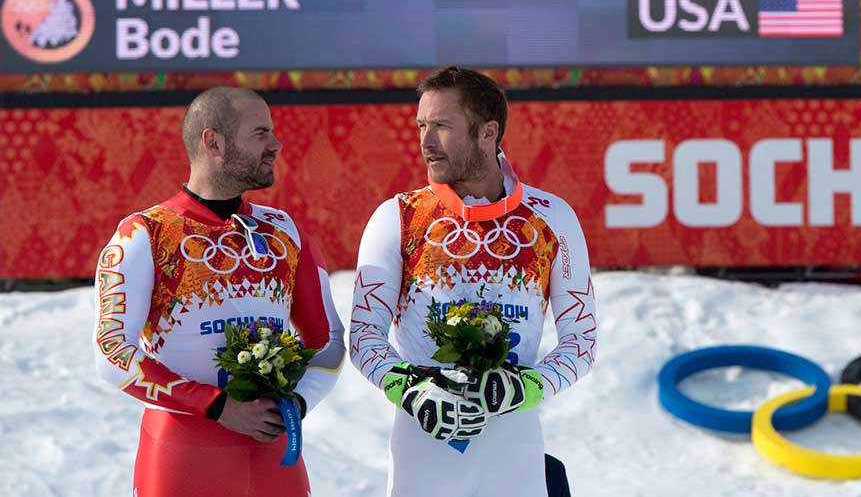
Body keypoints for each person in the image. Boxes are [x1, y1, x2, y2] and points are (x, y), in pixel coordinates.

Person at [349, 66, 597, 497]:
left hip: (514, 442)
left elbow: (582, 340)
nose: (425, 142)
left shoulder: (552, 217)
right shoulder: (399, 216)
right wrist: (411, 390)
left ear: (488, 132)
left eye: (442, 126)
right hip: (421, 444)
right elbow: (364, 338)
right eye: (422, 125)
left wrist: (526, 387)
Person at [92, 87, 345, 497]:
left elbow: (327, 339)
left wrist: (296, 405)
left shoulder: (284, 229)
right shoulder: (144, 233)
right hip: (182, 456)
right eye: (261, 133)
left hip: (275, 454)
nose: (276, 144)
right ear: (214, 142)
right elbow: (112, 353)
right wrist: (217, 407)